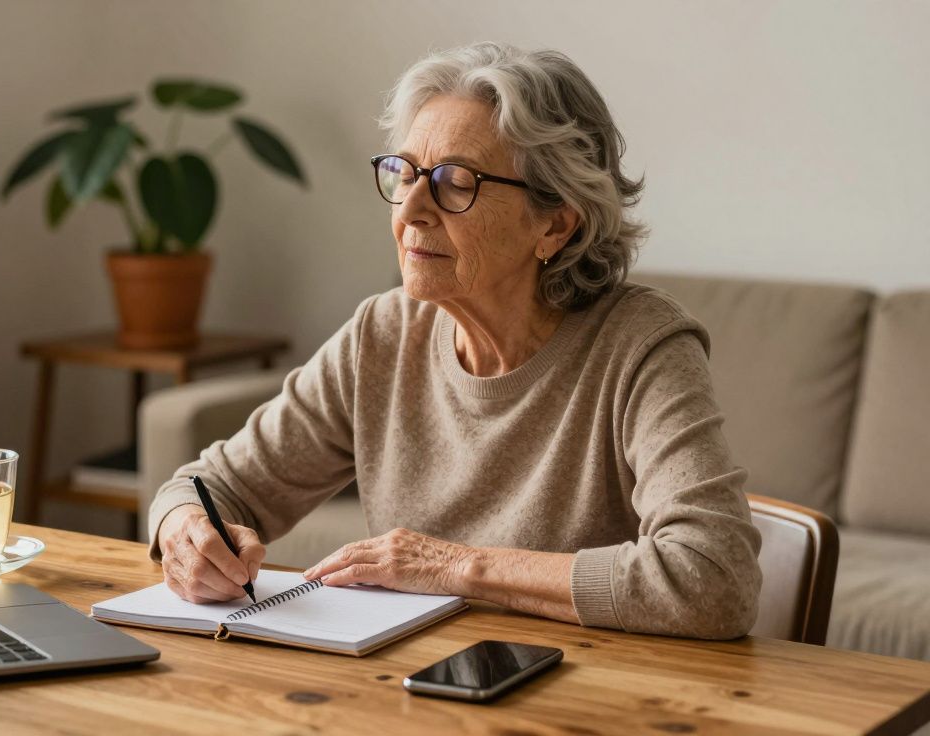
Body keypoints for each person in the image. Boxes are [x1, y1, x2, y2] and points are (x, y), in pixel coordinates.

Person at [147, 42, 762, 639]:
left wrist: (453, 567)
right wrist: (188, 532)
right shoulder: (382, 335)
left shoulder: (642, 346)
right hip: (412, 682)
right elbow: (211, 486)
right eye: (404, 173)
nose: (411, 208)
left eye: (454, 182)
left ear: (554, 223)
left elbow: (713, 577)